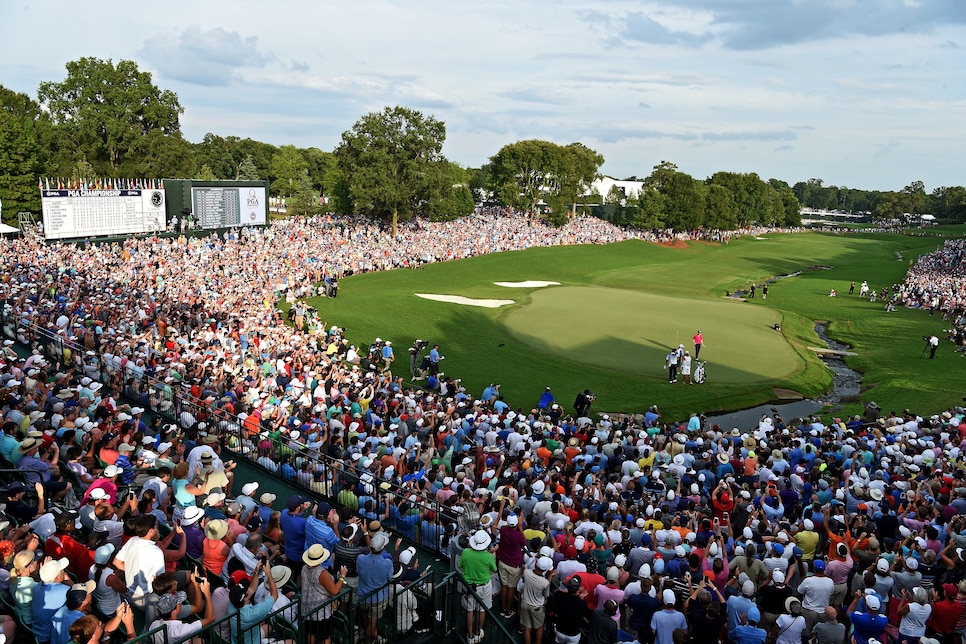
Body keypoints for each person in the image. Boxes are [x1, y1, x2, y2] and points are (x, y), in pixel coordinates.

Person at [301, 544, 347, 644]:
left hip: (307, 607)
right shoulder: (323, 574)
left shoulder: (304, 568)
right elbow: (334, 591)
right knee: (325, 635)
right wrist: (342, 576)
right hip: (321, 610)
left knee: (310, 632)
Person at [459, 529, 497, 644]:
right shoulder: (488, 556)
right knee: (481, 610)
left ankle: (470, 636)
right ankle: (477, 633)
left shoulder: (466, 552)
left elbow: (460, 565)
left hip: (469, 586)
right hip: (483, 587)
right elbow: (494, 569)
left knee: (470, 610)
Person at [356, 531, 393, 644]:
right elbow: (389, 578)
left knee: (368, 620)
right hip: (377, 599)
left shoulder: (361, 558)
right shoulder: (387, 563)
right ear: (382, 549)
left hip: (363, 596)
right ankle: (368, 641)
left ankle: (371, 636)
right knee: (372, 623)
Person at [521, 556, 554, 644]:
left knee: (527, 628)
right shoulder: (545, 582)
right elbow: (546, 595)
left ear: (536, 564)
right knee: (539, 627)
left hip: (525, 603)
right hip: (537, 607)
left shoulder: (526, 572)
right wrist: (550, 578)